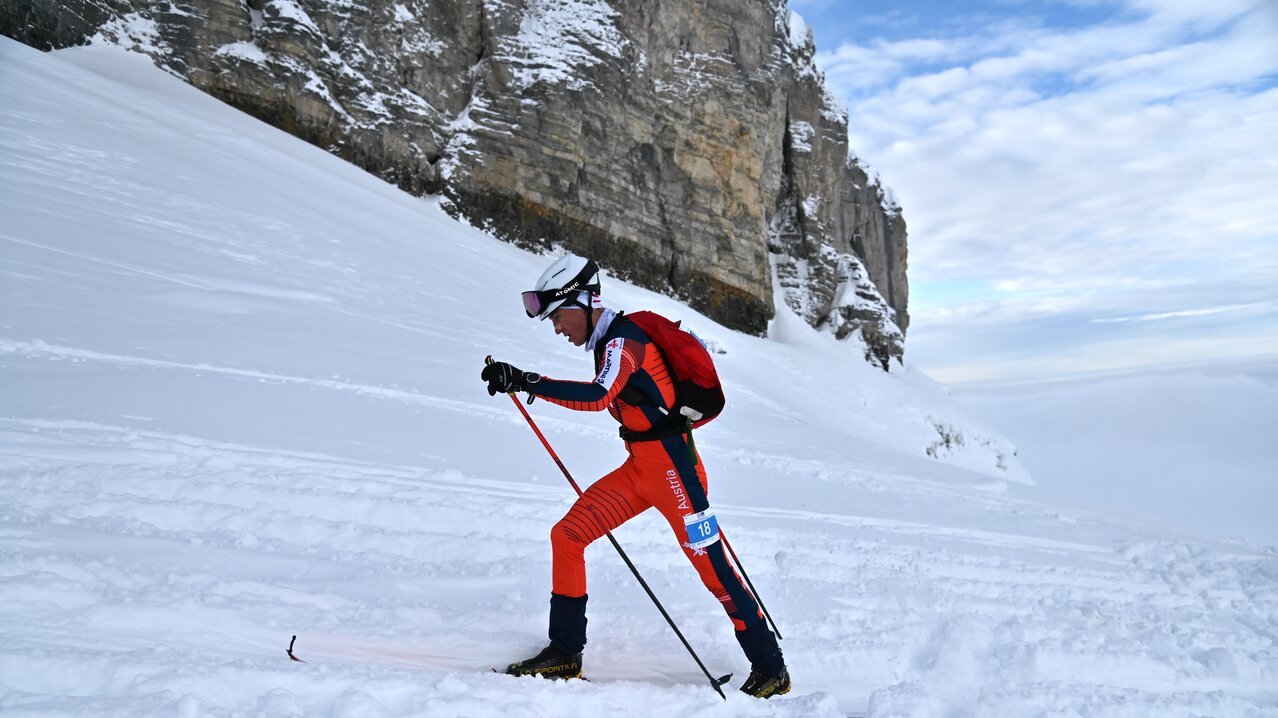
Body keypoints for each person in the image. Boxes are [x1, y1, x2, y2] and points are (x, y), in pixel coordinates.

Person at [481, 254, 789, 698]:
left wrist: (527, 380)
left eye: (559, 317)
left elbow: (598, 397)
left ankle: (771, 668)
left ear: (583, 302)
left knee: (714, 571)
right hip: (640, 470)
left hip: (677, 476)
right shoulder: (609, 341)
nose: (557, 328)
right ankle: (565, 652)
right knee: (568, 535)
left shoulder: (622, 344)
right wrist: (523, 381)